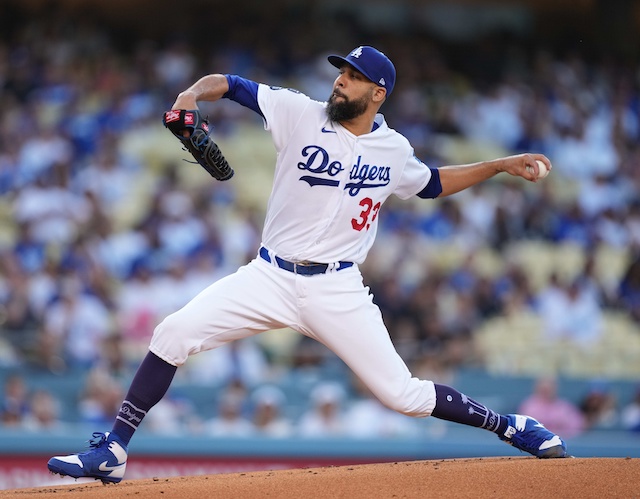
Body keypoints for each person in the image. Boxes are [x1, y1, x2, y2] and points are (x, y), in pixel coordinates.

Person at [47, 45, 568, 484]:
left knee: (404, 396)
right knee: (172, 332)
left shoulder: (393, 148)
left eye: (353, 78)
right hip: (269, 276)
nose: (340, 83)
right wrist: (188, 97)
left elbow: (430, 183)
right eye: (341, 73)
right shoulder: (299, 111)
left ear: (378, 94)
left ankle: (511, 426)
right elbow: (227, 83)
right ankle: (114, 451)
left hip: (336, 289)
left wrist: (498, 165)